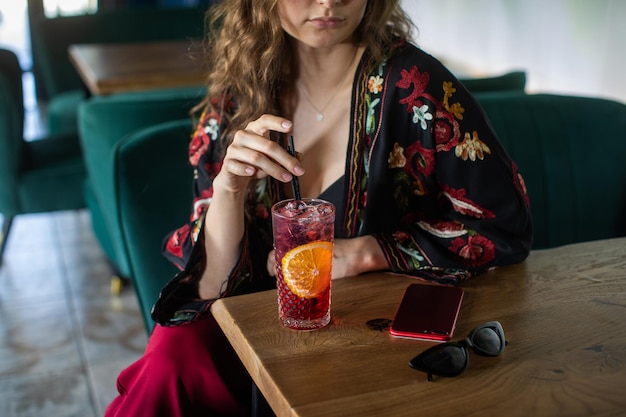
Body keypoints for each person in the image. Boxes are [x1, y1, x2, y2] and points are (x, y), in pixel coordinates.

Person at [105, 0, 532, 416]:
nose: (328, 3)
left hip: (362, 341)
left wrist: (369, 252)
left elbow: (503, 228)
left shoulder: (417, 89)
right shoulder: (238, 96)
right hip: (245, 338)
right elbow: (210, 287)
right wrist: (229, 191)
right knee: (176, 357)